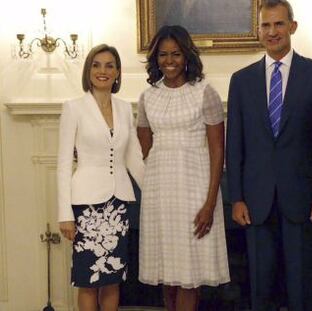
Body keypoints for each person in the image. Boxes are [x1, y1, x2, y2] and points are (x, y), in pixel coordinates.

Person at [226, 0, 312, 309]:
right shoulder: (241, 80)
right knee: (260, 288)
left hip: (303, 201)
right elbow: (235, 144)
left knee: (300, 287)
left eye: (278, 24)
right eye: (266, 25)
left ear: (292, 27)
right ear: (258, 31)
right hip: (255, 203)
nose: (272, 32)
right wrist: (236, 197)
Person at [137, 25, 230, 311]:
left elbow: (217, 150)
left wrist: (210, 202)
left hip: (195, 189)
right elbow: (145, 146)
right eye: (163, 55)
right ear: (156, 58)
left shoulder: (205, 92)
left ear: (187, 55)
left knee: (190, 273)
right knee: (168, 270)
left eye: (175, 54)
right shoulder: (148, 97)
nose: (169, 61)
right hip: (160, 193)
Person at [57, 44, 145, 311]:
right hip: (86, 207)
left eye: (109, 65)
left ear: (117, 72)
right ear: (88, 70)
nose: (102, 71)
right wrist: (65, 214)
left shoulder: (124, 108)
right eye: (96, 65)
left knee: (113, 277)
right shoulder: (73, 108)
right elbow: (63, 163)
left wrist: (154, 192)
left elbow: (133, 158)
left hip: (118, 205)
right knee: (89, 279)